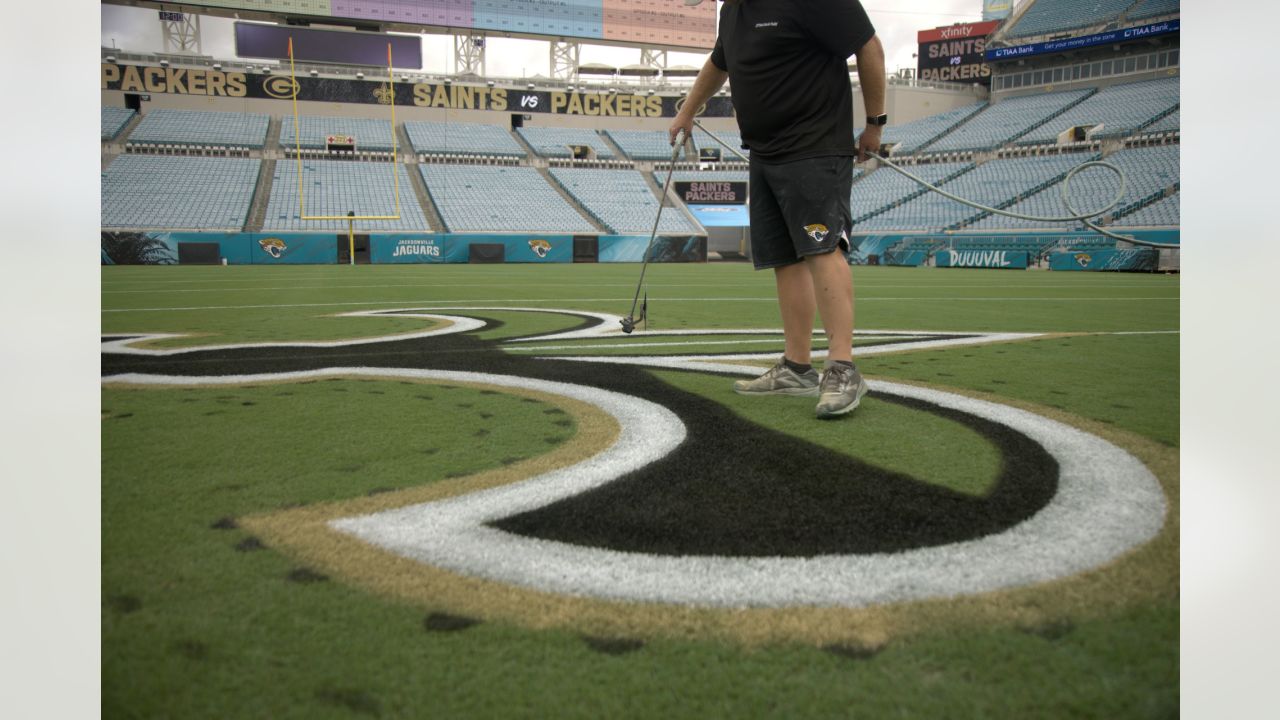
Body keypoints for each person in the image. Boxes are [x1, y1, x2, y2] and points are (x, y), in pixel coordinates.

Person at [670, 0, 885, 418]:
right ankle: (797, 367)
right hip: (764, 153)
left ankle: (843, 367)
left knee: (822, 249)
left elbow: (869, 46)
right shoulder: (733, 9)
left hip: (815, 145)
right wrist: (687, 109)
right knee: (785, 260)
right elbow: (720, 62)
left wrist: (875, 122)